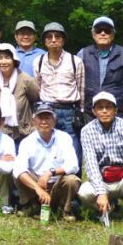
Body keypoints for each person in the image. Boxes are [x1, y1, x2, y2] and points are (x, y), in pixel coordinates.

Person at [78, 92, 123, 228]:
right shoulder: (86, 131)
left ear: (115, 110)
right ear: (94, 111)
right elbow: (91, 165)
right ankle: (105, 210)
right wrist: (101, 192)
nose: (104, 111)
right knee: (84, 192)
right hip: (104, 179)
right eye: (100, 107)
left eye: (108, 107)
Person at [13, 102, 80, 221]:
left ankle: (65, 209)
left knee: (72, 180)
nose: (44, 122)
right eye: (40, 118)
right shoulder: (27, 142)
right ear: (34, 121)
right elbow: (19, 169)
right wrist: (37, 189)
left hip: (57, 184)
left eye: (47, 118)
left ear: (54, 120)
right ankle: (30, 205)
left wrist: (50, 173)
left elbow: (74, 165)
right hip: (37, 184)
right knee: (19, 174)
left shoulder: (64, 138)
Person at [35, 22, 85, 159]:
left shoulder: (75, 61)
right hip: (48, 110)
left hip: (70, 111)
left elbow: (81, 89)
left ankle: (74, 173)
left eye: (57, 36)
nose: (53, 40)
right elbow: (38, 87)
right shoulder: (38, 61)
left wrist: (80, 112)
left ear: (63, 40)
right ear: (44, 41)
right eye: (49, 37)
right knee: (50, 148)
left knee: (73, 149)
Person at [0, 43, 40, 145]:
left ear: (14, 60)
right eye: (0, 58)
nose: (3, 62)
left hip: (23, 132)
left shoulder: (26, 79)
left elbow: (36, 99)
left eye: (7, 58)